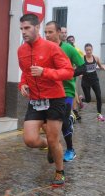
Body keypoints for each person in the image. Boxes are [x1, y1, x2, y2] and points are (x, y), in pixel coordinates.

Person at [18, 14, 74, 187]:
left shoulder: (51, 47)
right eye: (21, 29)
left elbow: (68, 71)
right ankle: (50, 146)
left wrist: (45, 72)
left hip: (55, 99)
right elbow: (25, 72)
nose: (24, 32)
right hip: (35, 100)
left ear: (37, 27)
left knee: (53, 138)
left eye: (27, 28)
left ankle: (59, 172)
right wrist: (23, 84)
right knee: (30, 140)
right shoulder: (21, 50)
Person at [44, 21, 86, 162]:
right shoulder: (44, 48)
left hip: (66, 91)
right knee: (48, 122)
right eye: (46, 32)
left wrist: (67, 74)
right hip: (48, 91)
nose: (48, 35)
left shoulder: (68, 49)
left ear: (59, 32)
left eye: (50, 32)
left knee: (63, 120)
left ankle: (70, 149)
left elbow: (83, 67)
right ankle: (54, 147)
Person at [81, 43, 105, 121]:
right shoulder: (82, 58)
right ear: (85, 50)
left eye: (90, 50)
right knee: (88, 100)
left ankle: (99, 114)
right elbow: (78, 68)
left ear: (92, 50)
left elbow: (100, 66)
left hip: (95, 80)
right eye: (87, 50)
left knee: (99, 96)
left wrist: (103, 68)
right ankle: (81, 100)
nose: (88, 51)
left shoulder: (96, 58)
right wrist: (80, 74)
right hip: (85, 81)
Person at [66, 35, 84, 120]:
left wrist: (78, 70)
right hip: (66, 75)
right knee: (73, 93)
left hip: (73, 75)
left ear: (74, 40)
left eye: (72, 40)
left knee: (73, 92)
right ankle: (74, 109)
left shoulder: (77, 50)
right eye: (69, 40)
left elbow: (81, 61)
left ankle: (74, 110)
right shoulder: (65, 48)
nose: (71, 41)